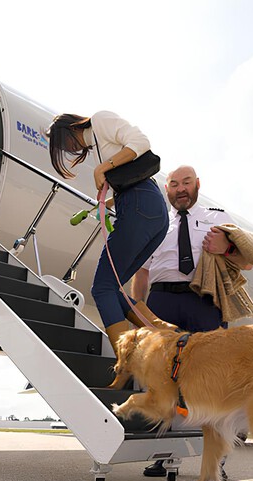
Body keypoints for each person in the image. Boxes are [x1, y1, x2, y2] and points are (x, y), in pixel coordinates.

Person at [131, 165, 253, 478]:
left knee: (215, 381)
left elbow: (248, 261)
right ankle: (163, 455)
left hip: (205, 301)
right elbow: (142, 273)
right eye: (174, 184)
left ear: (197, 184)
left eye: (186, 182)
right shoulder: (156, 223)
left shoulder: (217, 217)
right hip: (162, 300)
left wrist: (226, 247)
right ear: (167, 191)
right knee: (163, 380)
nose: (180, 189)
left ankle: (217, 462)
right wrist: (141, 316)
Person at [46, 112, 174, 358]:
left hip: (140, 204)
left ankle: (126, 361)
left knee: (102, 288)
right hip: (150, 210)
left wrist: (104, 167)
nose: (68, 149)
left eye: (63, 142)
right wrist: (109, 202)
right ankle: (169, 334)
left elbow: (141, 143)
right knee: (114, 289)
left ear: (69, 129)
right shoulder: (97, 142)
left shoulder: (100, 120)